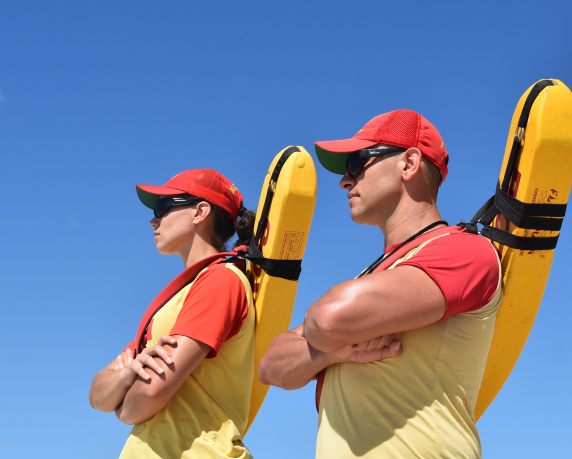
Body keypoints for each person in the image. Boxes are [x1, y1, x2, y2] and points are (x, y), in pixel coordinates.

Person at [258, 110, 502, 459]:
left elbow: (325, 320)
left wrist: (324, 341)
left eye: (357, 163)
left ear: (409, 163)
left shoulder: (463, 250)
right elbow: (270, 365)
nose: (345, 181)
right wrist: (332, 351)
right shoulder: (376, 277)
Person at [89, 168, 257, 459]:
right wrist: (130, 373)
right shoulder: (176, 303)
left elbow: (148, 394)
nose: (153, 220)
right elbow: (97, 396)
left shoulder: (220, 281)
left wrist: (124, 406)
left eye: (162, 207)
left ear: (199, 212)